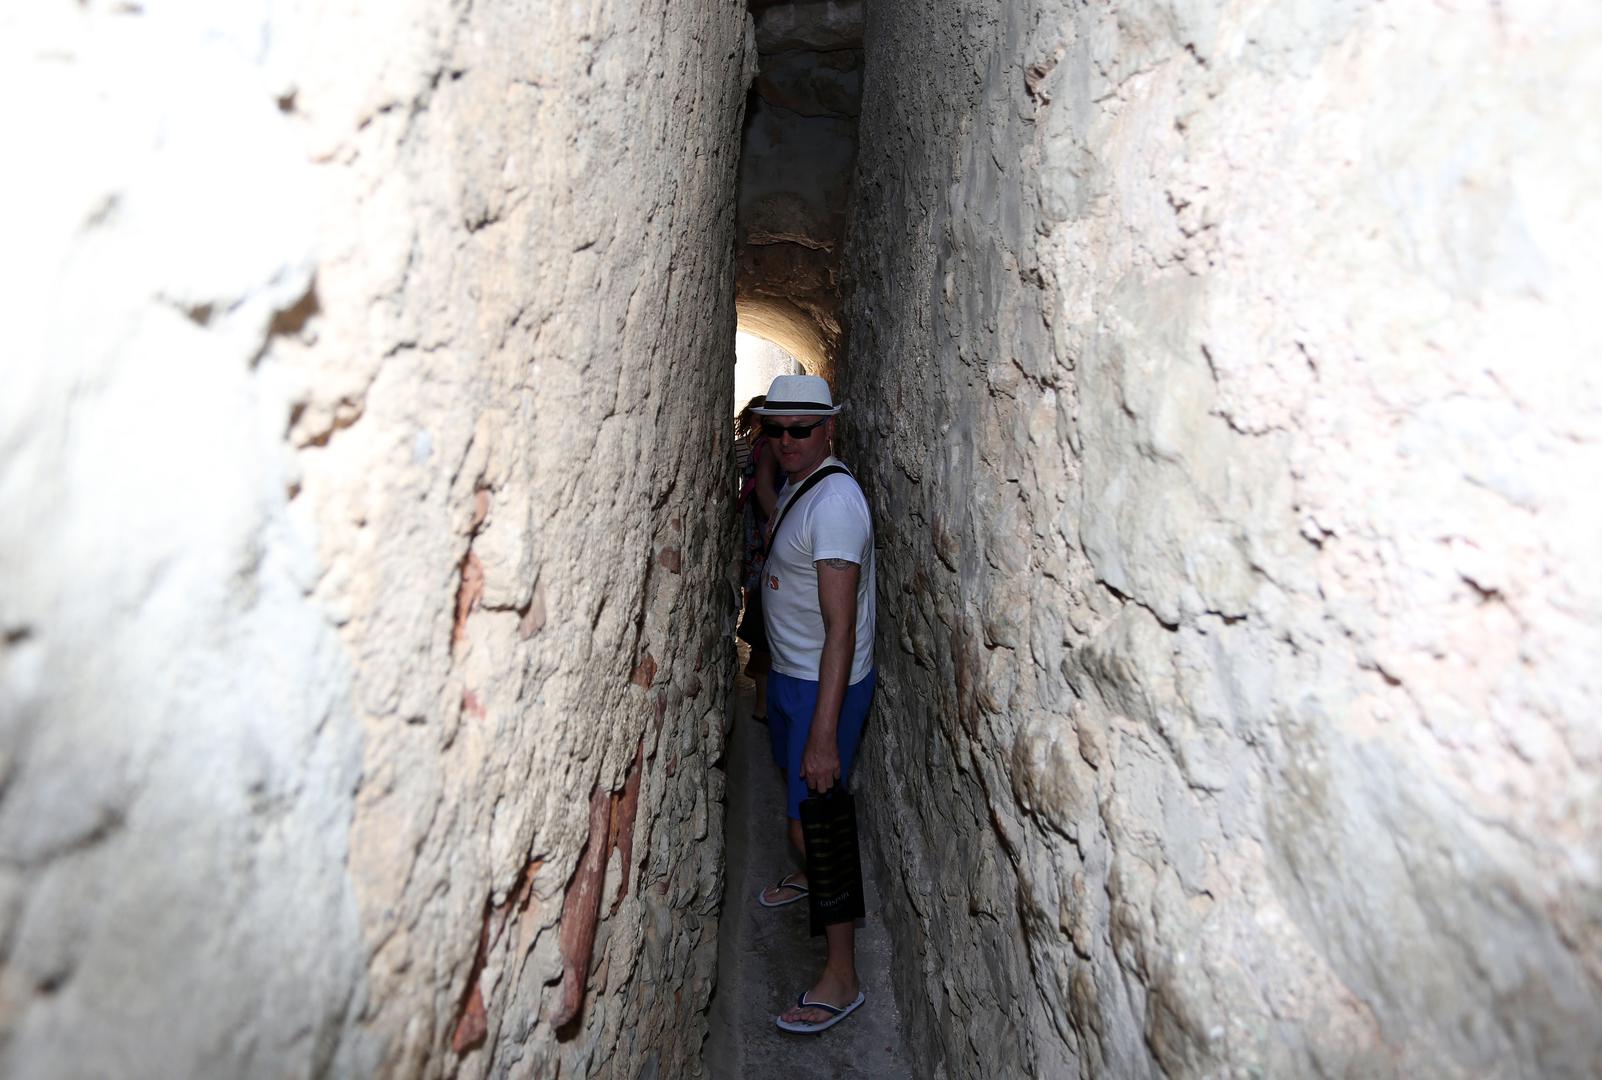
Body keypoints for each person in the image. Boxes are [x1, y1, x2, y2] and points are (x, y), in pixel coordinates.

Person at [749, 374, 877, 1035]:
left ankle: (842, 974)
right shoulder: (804, 482)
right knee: (802, 806)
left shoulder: (835, 506)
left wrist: (823, 733)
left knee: (819, 819)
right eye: (776, 429)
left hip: (823, 685)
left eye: (801, 430)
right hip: (795, 677)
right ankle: (807, 875)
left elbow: (841, 628)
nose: (787, 441)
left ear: (829, 429)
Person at [734, 396, 778, 717]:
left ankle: (762, 690)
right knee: (765, 609)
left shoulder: (754, 446)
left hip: (756, 531)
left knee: (759, 601)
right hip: (764, 534)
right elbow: (765, 490)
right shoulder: (767, 449)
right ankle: (764, 700)